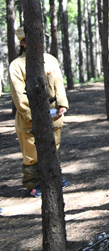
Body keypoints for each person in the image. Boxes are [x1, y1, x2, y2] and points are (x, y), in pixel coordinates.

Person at [9, 27, 70, 197]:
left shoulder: (51, 60)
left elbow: (59, 83)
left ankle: (54, 179)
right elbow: (19, 96)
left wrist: (62, 104)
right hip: (29, 119)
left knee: (53, 147)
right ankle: (34, 184)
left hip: (53, 115)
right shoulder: (17, 65)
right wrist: (32, 116)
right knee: (32, 154)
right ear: (23, 43)